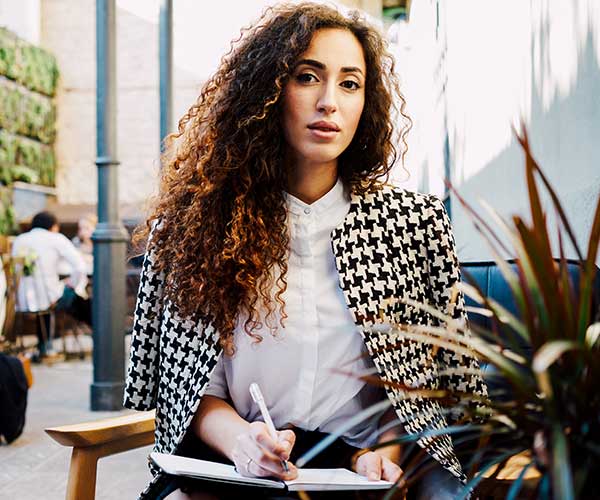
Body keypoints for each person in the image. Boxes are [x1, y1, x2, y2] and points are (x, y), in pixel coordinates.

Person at [124, 3, 487, 499]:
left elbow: (425, 379)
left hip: (364, 471)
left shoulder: (411, 224)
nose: (329, 102)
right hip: (232, 469)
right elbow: (191, 392)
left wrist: (384, 453)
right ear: (267, 92)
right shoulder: (194, 229)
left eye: (350, 83)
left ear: (367, 102)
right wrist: (245, 444)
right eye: (307, 77)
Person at [11, 211, 91, 358]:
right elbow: (80, 267)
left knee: (53, 299)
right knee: (77, 299)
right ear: (54, 226)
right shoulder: (56, 238)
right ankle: (100, 332)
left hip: (21, 301)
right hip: (49, 299)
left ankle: (45, 346)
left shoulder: (19, 240)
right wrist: (73, 285)